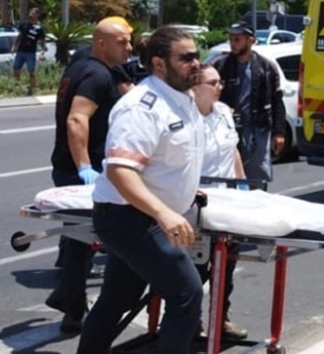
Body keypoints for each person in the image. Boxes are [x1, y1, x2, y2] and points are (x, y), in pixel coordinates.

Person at [76, 26, 205, 354]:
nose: (196, 63)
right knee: (186, 294)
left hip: (142, 216)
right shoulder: (142, 107)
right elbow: (121, 171)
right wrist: (164, 212)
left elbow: (170, 159)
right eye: (186, 58)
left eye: (197, 56)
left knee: (117, 298)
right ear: (159, 64)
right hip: (131, 218)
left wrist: (187, 189)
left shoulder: (183, 99)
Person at [45, 17, 133, 333]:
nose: (129, 47)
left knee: (78, 238)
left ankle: (64, 296)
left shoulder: (81, 68)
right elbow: (76, 120)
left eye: (129, 41)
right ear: (101, 43)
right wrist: (84, 166)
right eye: (122, 42)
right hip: (82, 172)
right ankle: (73, 310)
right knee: (82, 241)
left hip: (70, 167)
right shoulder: (97, 75)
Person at [192, 63, 249, 339]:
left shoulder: (224, 112)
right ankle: (189, 321)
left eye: (220, 82)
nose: (219, 87)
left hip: (228, 199)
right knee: (196, 267)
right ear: (195, 87)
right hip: (197, 202)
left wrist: (243, 184)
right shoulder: (187, 117)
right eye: (212, 83)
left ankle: (221, 318)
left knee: (227, 263)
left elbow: (233, 151)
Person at [211, 22, 287, 183]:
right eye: (231, 39)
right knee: (229, 173)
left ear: (251, 41)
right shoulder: (220, 66)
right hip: (227, 129)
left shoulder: (266, 67)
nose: (232, 43)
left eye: (237, 39)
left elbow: (277, 101)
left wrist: (279, 132)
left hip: (258, 129)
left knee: (258, 175)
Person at [12, 7, 46, 95]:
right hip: (21, 51)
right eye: (30, 12)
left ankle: (33, 89)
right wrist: (14, 46)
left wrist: (42, 52)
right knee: (16, 68)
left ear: (37, 15)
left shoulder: (40, 28)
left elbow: (43, 41)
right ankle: (17, 87)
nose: (31, 14)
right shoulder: (25, 24)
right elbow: (19, 36)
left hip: (30, 52)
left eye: (33, 13)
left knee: (31, 71)